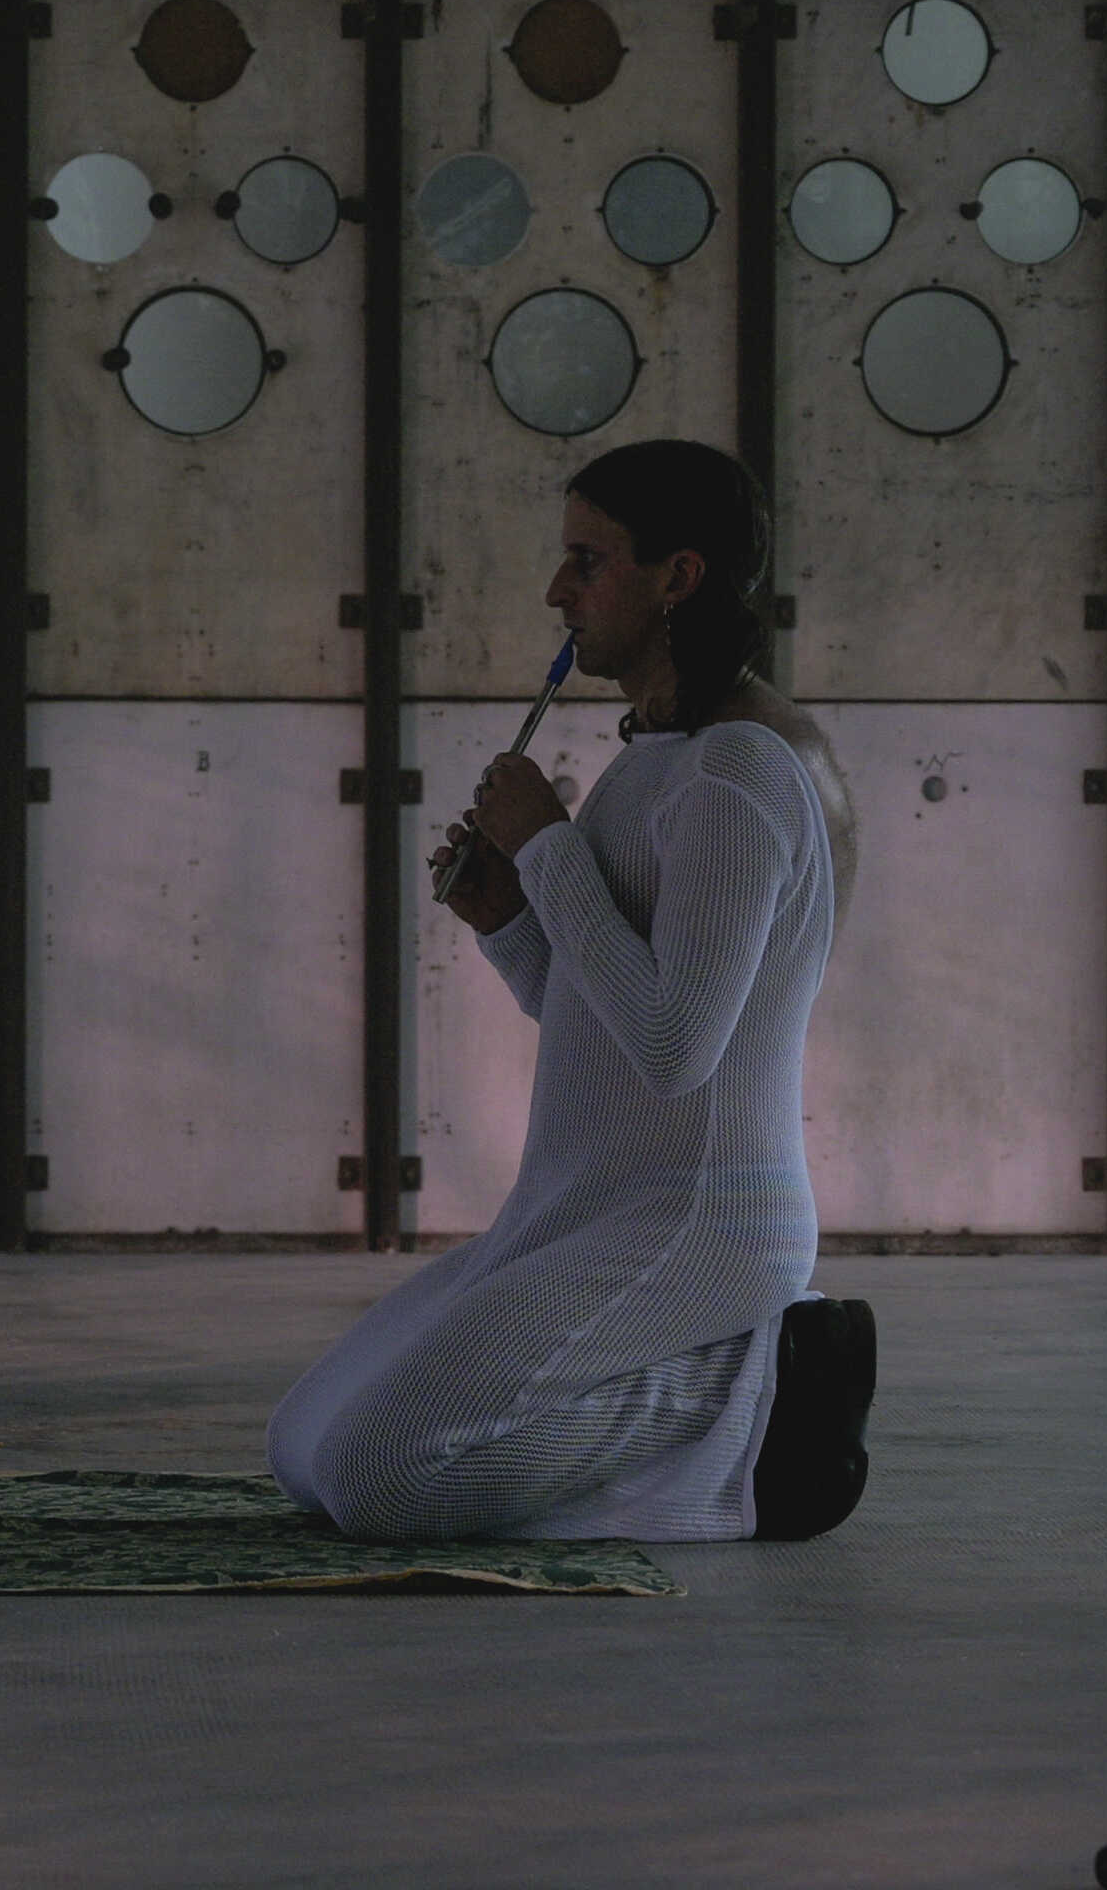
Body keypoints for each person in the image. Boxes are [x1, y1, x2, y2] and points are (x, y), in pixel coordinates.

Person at [265, 439, 875, 1542]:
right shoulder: (655, 760)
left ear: (676, 577)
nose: (557, 591)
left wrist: (549, 851)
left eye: (586, 563)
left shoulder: (740, 772)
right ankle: (701, 1402)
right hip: (582, 1207)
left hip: (698, 1227)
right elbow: (594, 1012)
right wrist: (510, 922)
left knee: (381, 1480)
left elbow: (677, 1042)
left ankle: (750, 1400)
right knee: (304, 1449)